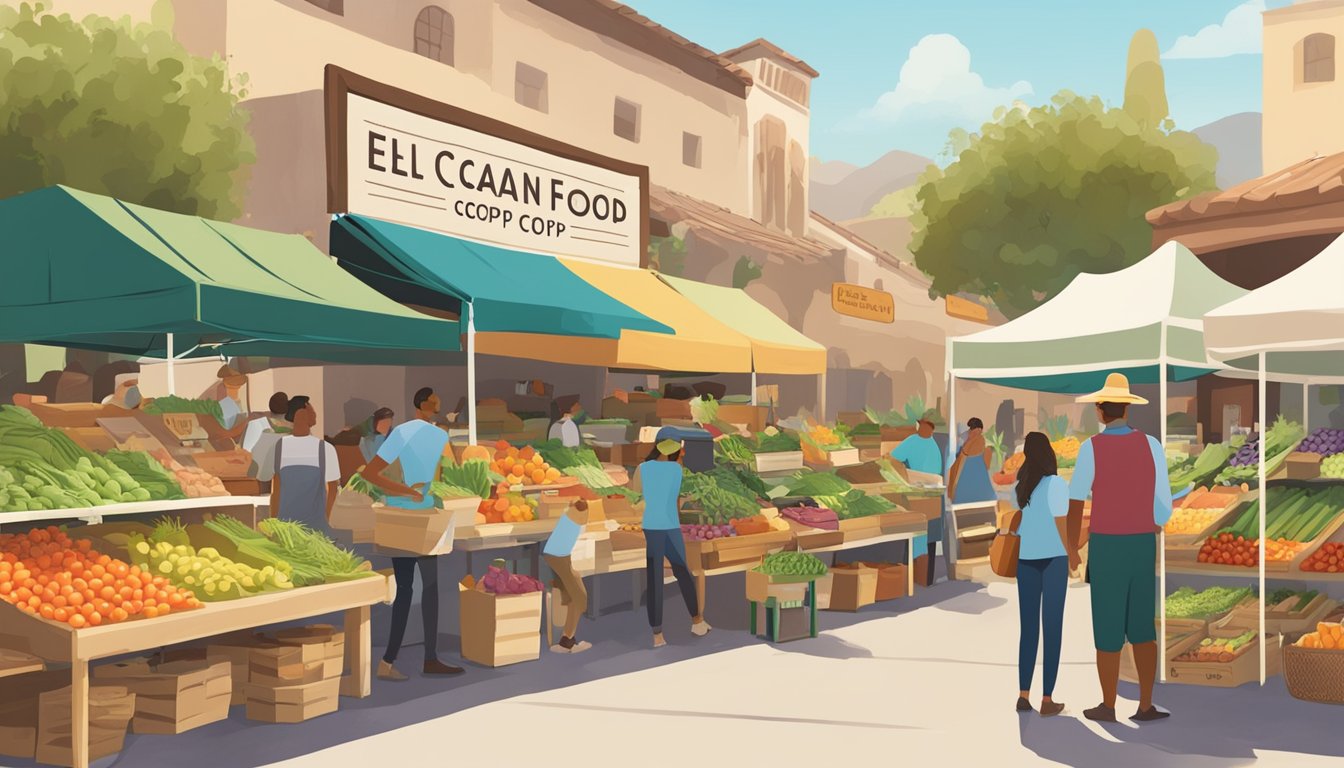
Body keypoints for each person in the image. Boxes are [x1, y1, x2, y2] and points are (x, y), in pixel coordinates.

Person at [1066, 373, 1172, 724]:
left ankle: (1108, 705)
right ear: (1127, 409)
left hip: (1107, 544)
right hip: (1142, 544)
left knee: (1108, 627)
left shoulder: (1090, 449)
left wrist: (1072, 548)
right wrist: (1152, 521)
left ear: (1100, 410)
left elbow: (1077, 500)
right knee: (1143, 626)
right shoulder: (1152, 445)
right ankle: (1145, 704)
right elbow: (1163, 507)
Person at [359, 387, 462, 681]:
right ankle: (423, 659)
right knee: (427, 588)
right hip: (417, 517)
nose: (437, 407)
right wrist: (414, 490)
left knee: (408, 590)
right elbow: (449, 471)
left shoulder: (404, 433)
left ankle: (391, 661)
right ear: (425, 405)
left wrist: (405, 491)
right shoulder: (437, 436)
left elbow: (370, 474)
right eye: (435, 403)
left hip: (404, 517)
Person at [1013, 432, 1070, 717]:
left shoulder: (1022, 486)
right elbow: (1062, 525)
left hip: (1026, 560)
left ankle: (1023, 695)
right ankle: (1047, 698)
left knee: (1029, 629)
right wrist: (1074, 553)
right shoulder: (1056, 484)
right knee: (1052, 628)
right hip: (1054, 560)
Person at [633, 439, 711, 647]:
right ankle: (697, 621)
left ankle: (657, 635)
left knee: (655, 578)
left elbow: (635, 496)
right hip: (670, 526)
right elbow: (677, 498)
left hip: (651, 526)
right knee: (683, 573)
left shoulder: (642, 468)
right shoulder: (676, 470)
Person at [265, 395, 339, 529]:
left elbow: (276, 490)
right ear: (302, 412)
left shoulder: (279, 447)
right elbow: (332, 490)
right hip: (295, 526)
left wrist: (275, 523)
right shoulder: (325, 449)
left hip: (301, 526)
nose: (315, 414)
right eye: (312, 410)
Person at [890, 409, 944, 584]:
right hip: (933, 496)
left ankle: (912, 577)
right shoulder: (934, 445)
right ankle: (925, 579)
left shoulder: (913, 441)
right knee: (928, 536)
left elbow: (892, 458)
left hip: (915, 495)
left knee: (915, 534)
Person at [544, 499, 593, 654]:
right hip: (559, 557)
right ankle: (566, 643)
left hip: (559, 557)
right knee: (580, 598)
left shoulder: (568, 516)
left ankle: (568, 639)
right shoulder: (575, 517)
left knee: (573, 597)